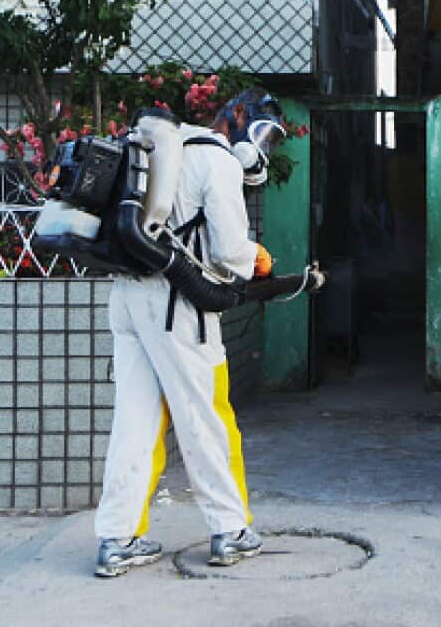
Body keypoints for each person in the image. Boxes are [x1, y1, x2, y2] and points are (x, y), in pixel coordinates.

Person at [93, 89, 287, 578]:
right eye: (261, 130)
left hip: (128, 297)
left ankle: (117, 539)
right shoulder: (216, 160)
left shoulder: (166, 147)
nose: (261, 144)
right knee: (207, 416)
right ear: (236, 116)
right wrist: (256, 259)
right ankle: (230, 530)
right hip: (178, 307)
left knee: (135, 419)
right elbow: (226, 250)